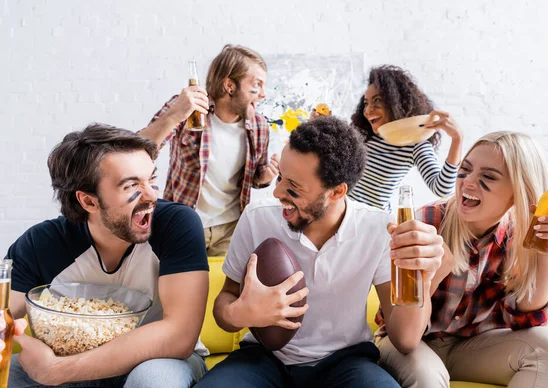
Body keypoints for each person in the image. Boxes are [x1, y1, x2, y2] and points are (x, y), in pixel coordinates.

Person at [193, 116, 444, 388]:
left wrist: (423, 277)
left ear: (336, 192)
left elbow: (405, 340)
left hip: (346, 362)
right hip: (262, 357)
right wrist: (240, 313)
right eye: (280, 178)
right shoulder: (257, 218)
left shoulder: (378, 229)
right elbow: (226, 300)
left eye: (293, 188)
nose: (277, 192)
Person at [5, 124, 210, 388]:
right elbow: (5, 316)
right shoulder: (41, 243)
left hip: (160, 359)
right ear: (88, 201)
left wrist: (56, 370)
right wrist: (22, 341)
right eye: (131, 185)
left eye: (151, 179)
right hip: (74, 361)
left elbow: (179, 336)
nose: (151, 196)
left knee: (152, 381)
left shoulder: (176, 224)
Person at [375, 131, 548, 387]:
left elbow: (526, 323)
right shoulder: (426, 223)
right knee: (426, 377)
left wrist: (547, 259)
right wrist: (434, 274)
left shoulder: (519, 237)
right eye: (465, 170)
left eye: (488, 177)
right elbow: (405, 339)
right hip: (414, 343)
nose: (468, 183)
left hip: (471, 347)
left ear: (518, 191)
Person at [140, 44, 278, 257]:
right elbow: (138, 151)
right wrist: (175, 114)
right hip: (184, 224)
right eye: (257, 85)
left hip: (231, 229)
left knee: (222, 289)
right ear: (230, 86)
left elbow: (254, 179)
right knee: (178, 289)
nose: (263, 94)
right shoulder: (190, 109)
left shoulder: (259, 126)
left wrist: (265, 176)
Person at [349, 65, 462, 211]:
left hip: (372, 223)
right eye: (366, 103)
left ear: (395, 103)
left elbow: (442, 189)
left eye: (377, 101)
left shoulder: (414, 144)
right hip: (339, 216)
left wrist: (457, 139)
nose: (368, 110)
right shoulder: (361, 132)